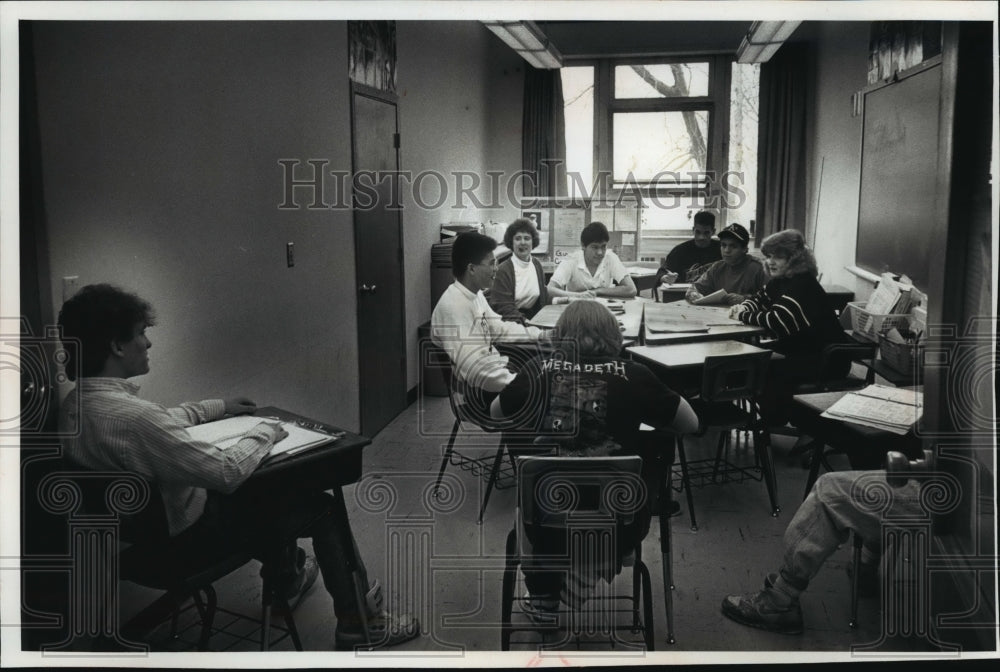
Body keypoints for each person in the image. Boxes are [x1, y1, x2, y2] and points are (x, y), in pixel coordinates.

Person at [57, 283, 418, 650]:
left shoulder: (76, 408)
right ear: (117, 346)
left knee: (271, 492)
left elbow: (164, 422)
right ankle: (359, 623)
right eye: (141, 333)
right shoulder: (135, 420)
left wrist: (218, 406)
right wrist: (263, 433)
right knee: (320, 507)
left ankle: (289, 580)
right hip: (186, 546)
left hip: (140, 549)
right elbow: (226, 472)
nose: (148, 343)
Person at [494, 300, 698, 621]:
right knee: (649, 464)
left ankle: (545, 594)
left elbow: (496, 413)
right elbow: (691, 424)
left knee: (531, 492)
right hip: (619, 526)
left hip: (546, 527)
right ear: (614, 335)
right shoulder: (636, 375)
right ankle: (591, 565)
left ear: (560, 334)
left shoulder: (537, 370)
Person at [721, 469, 921, 634]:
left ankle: (780, 600)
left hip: (937, 491)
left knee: (829, 490)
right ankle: (865, 567)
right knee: (879, 461)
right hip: (941, 487)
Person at [728, 229, 851, 423]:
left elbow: (777, 320)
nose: (770, 262)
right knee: (752, 360)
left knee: (762, 368)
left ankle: (779, 421)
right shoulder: (781, 281)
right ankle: (774, 419)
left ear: (795, 259)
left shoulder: (803, 284)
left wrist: (742, 314)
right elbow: (759, 299)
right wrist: (743, 306)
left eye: (778, 257)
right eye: (769, 256)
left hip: (824, 359)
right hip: (800, 350)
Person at [431, 231, 546, 417]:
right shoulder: (453, 307)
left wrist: (538, 334)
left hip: (497, 374)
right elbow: (476, 369)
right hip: (480, 394)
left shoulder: (474, 295)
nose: (496, 269)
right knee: (548, 388)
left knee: (545, 367)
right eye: (492, 263)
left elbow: (499, 329)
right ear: (472, 269)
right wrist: (516, 383)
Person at [547, 222, 638, 299]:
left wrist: (597, 291)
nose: (600, 252)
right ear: (583, 246)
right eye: (594, 247)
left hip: (604, 308)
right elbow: (550, 290)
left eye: (603, 246)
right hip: (576, 308)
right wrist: (579, 295)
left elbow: (631, 289)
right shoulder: (571, 260)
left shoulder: (611, 257)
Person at [685, 223, 767, 305]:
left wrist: (745, 299)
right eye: (723, 245)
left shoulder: (760, 268)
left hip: (747, 315)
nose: (727, 250)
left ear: (745, 249)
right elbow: (693, 289)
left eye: (733, 246)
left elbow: (773, 299)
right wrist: (695, 295)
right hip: (717, 315)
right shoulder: (717, 267)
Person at [488, 218, 549, 323]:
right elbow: (504, 308)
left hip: (533, 319)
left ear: (533, 241)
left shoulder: (537, 264)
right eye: (518, 238)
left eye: (527, 238)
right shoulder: (503, 270)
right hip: (511, 323)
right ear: (511, 242)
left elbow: (543, 296)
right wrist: (527, 324)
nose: (523, 242)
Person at [655, 210, 722, 286]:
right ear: (693, 230)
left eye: (706, 233)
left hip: (713, 294)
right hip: (683, 294)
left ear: (713, 232)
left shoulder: (722, 249)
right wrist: (665, 277)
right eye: (698, 232)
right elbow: (662, 271)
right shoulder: (680, 251)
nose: (701, 237)